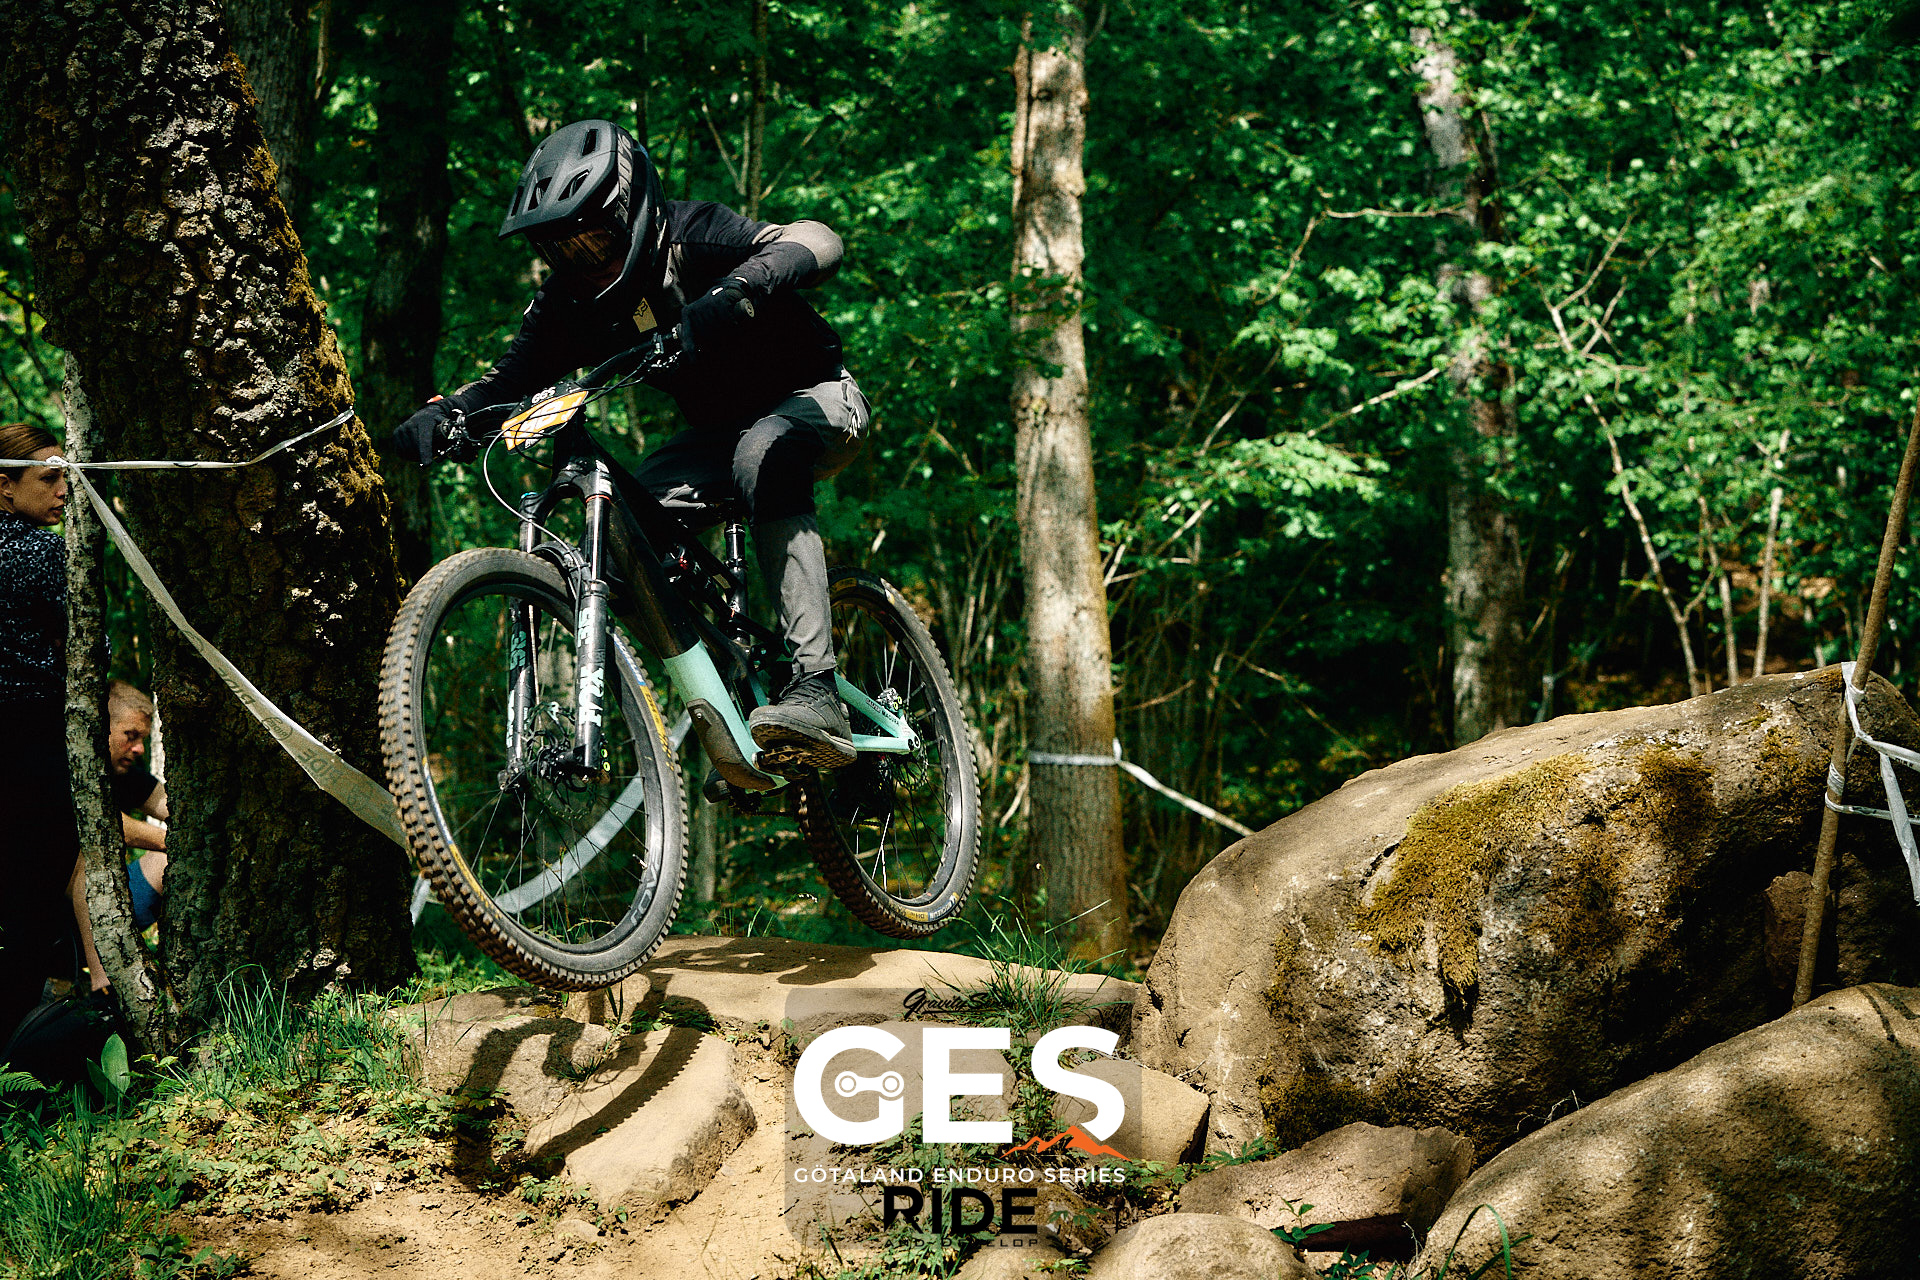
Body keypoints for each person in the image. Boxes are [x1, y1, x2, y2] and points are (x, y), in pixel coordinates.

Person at [394, 120, 869, 769]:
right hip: (714, 440)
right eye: (563, 248)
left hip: (817, 398)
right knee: (620, 548)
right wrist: (448, 413)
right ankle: (730, 709)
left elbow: (817, 239)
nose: (585, 260)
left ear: (633, 210)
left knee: (763, 452)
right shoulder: (570, 303)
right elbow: (509, 380)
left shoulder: (693, 235)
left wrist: (739, 288)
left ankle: (816, 688)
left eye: (595, 238)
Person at [0, 421, 78, 1041]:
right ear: (5, 487)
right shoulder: (39, 552)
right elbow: (88, 644)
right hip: (32, 740)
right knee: (38, 888)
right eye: (49, 478)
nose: (63, 490)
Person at [106, 679, 167, 930]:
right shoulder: (58, 769)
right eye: (130, 736)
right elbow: (110, 826)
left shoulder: (125, 773)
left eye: (142, 738)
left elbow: (175, 807)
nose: (139, 748)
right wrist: (176, 842)